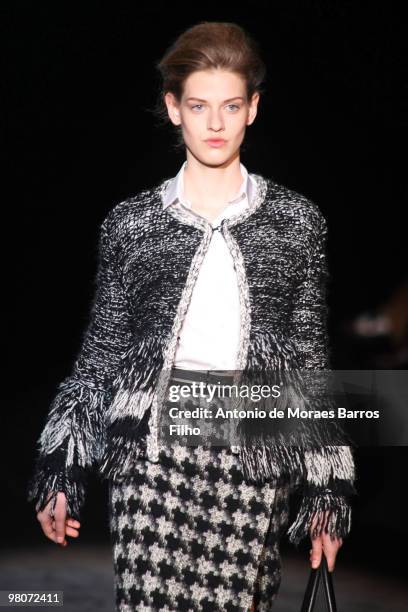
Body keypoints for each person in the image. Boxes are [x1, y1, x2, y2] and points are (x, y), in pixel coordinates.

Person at [27, 21, 356, 611]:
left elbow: (306, 360)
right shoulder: (131, 225)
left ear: (253, 108)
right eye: (199, 105)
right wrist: (63, 465)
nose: (215, 123)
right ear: (172, 107)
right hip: (152, 455)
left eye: (231, 105)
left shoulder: (296, 223)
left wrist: (327, 489)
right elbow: (102, 354)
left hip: (251, 450)